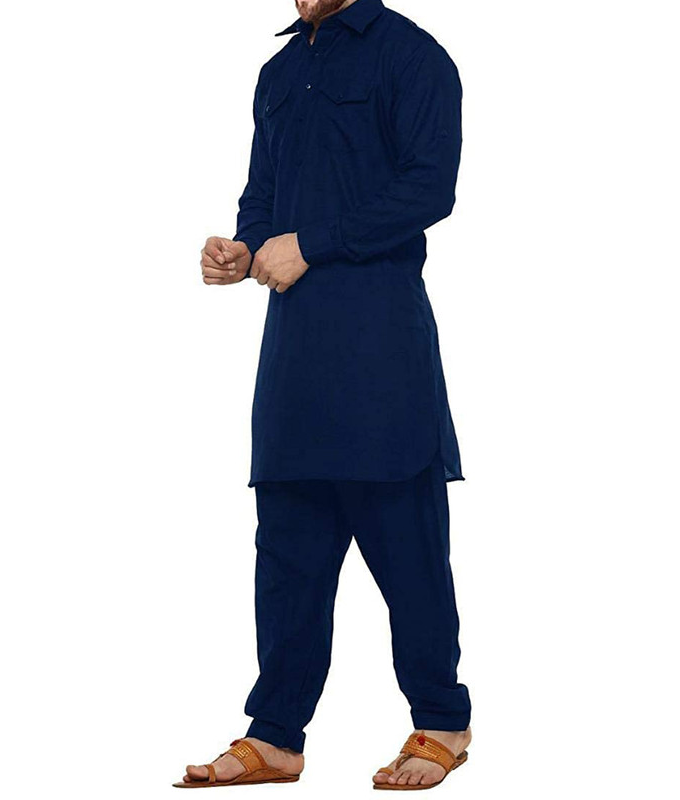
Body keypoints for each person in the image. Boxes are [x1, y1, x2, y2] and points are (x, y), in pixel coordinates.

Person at [176, 0, 471, 790]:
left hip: (380, 345)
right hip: (294, 351)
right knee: (287, 553)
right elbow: (264, 193)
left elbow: (428, 188)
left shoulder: (411, 55)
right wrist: (242, 249)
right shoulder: (279, 72)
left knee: (406, 546)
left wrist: (313, 243)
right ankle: (276, 736)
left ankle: (443, 721)